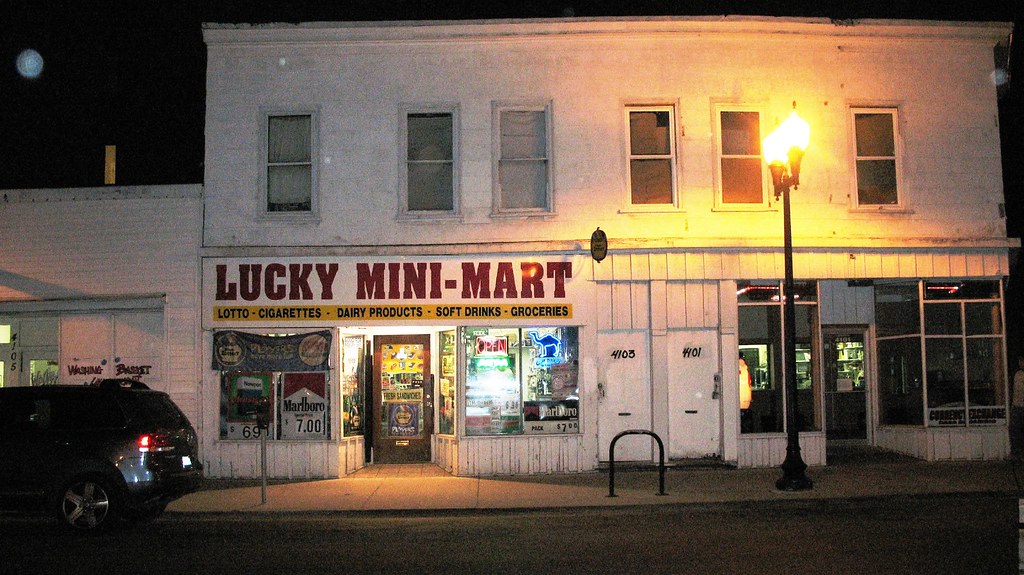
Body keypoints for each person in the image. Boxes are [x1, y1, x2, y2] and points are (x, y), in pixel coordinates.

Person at [1012, 355, 1024, 459]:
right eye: (1019, 361)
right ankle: (1017, 453)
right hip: (1017, 406)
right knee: (1016, 430)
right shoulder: (1018, 374)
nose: (1020, 363)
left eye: (1022, 361)